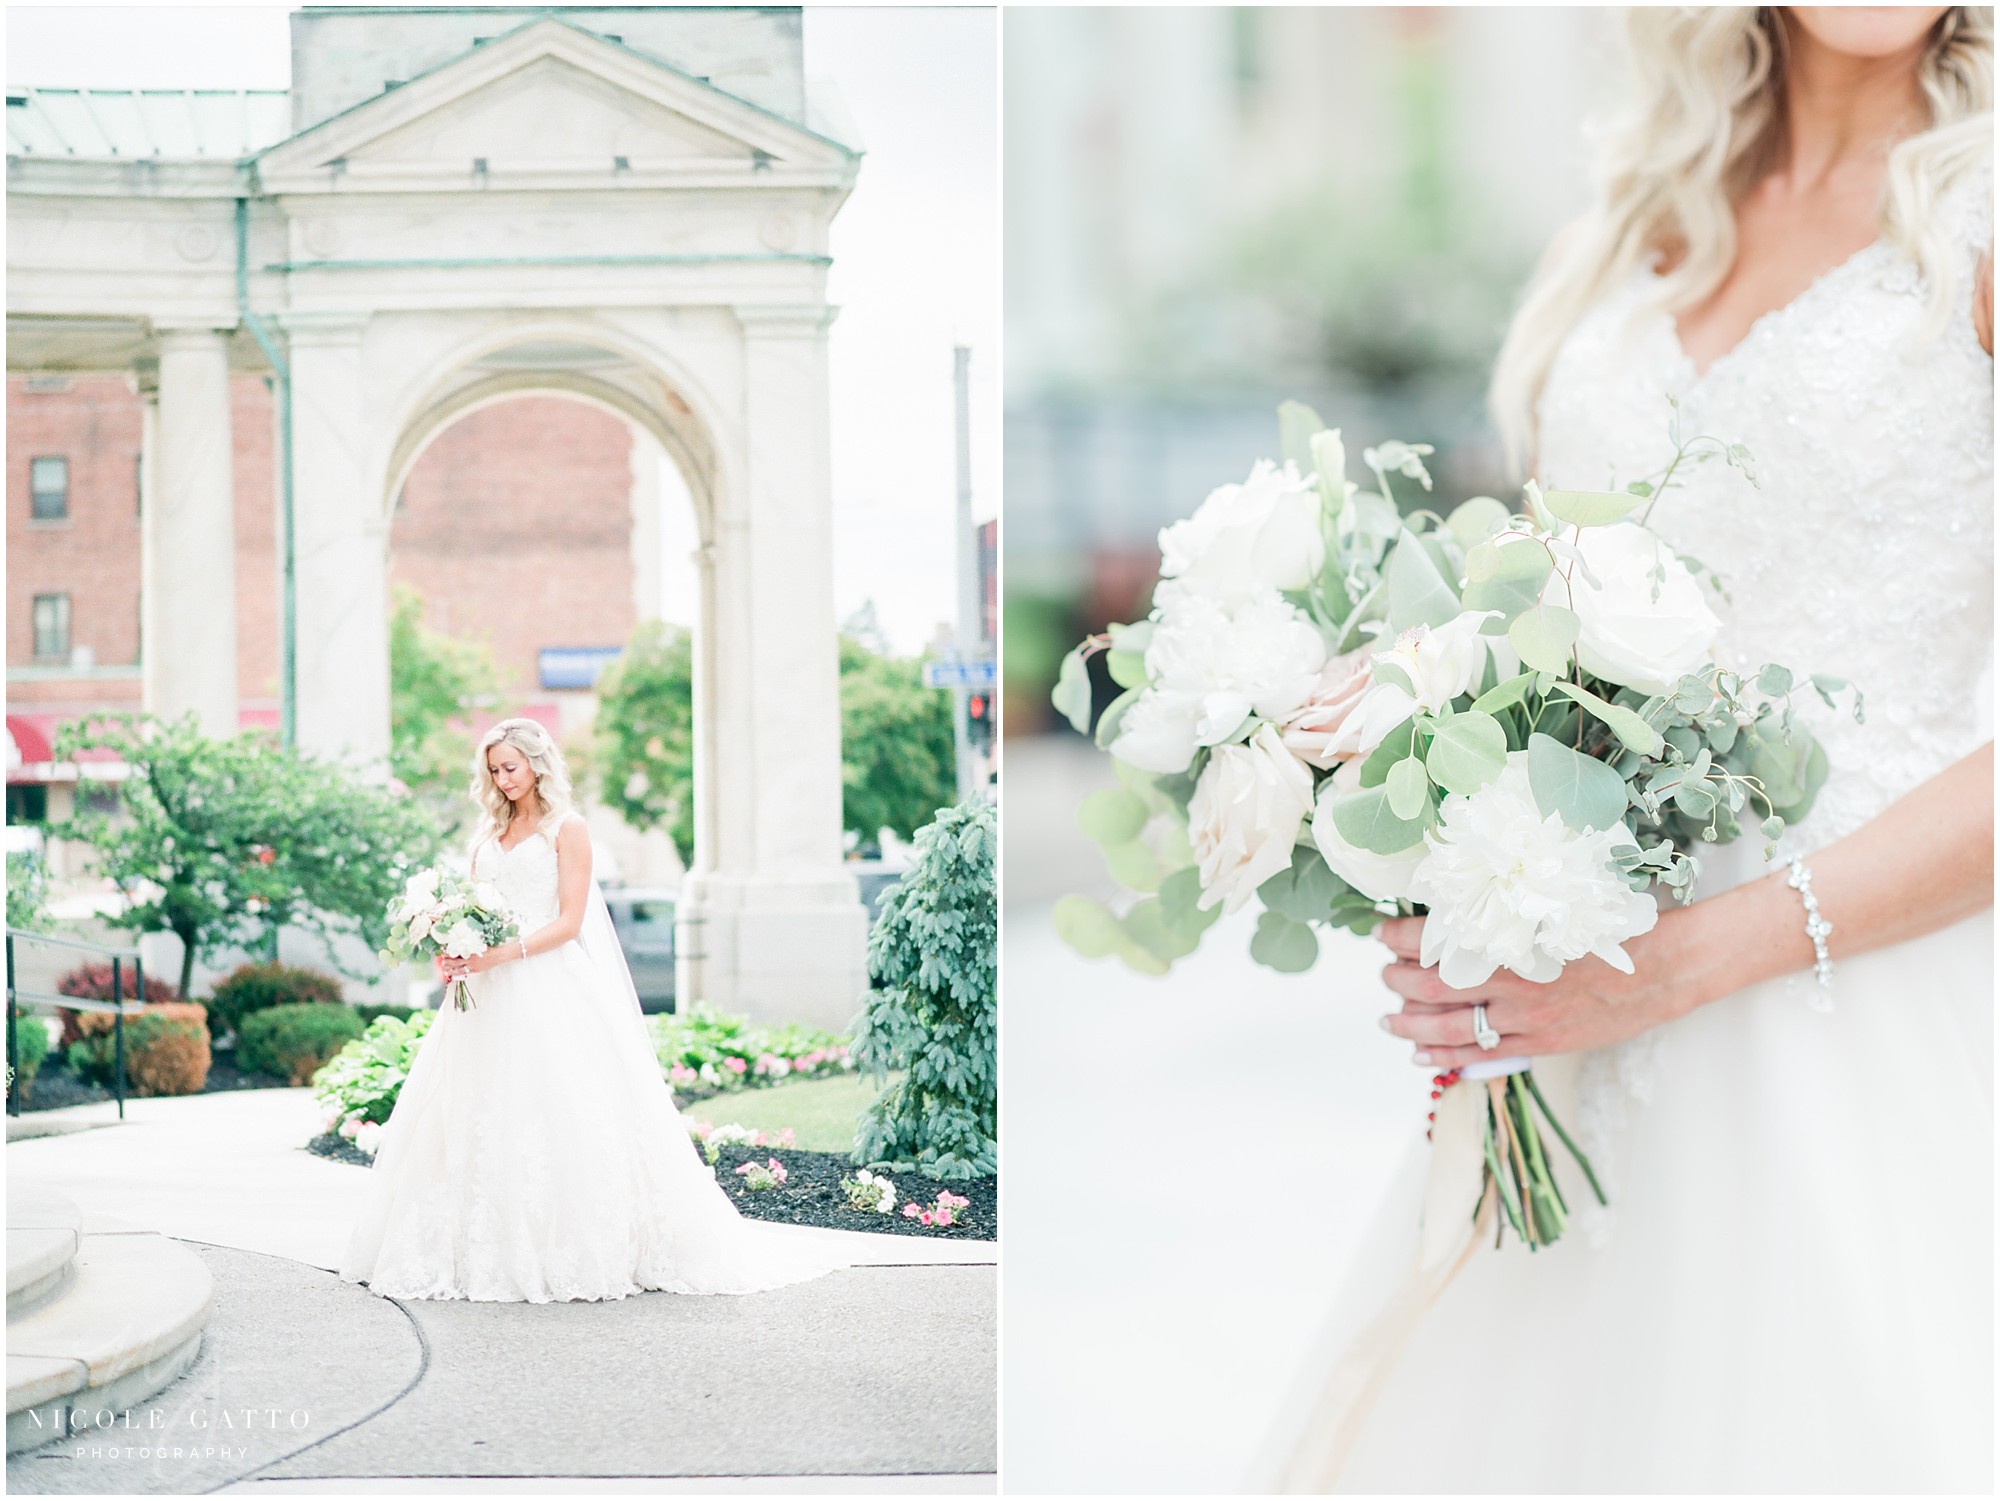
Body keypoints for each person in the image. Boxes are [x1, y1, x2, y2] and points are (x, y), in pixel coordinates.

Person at [1266, 8, 1993, 1491]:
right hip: (1571, 1023)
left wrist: (1692, 958)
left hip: (1874, 1009)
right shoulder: (1625, 222)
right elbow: (1542, 620)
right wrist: (1429, 783)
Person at [340, 717, 848, 1302]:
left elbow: (569, 922)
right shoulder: (486, 837)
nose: (502, 779)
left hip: (545, 983)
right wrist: (452, 951)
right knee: (468, 1109)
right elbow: (473, 913)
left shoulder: (567, 828)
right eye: (493, 770)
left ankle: (575, 1248)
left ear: (537, 763)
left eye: (510, 767)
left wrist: (501, 953)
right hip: (482, 993)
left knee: (557, 1107)